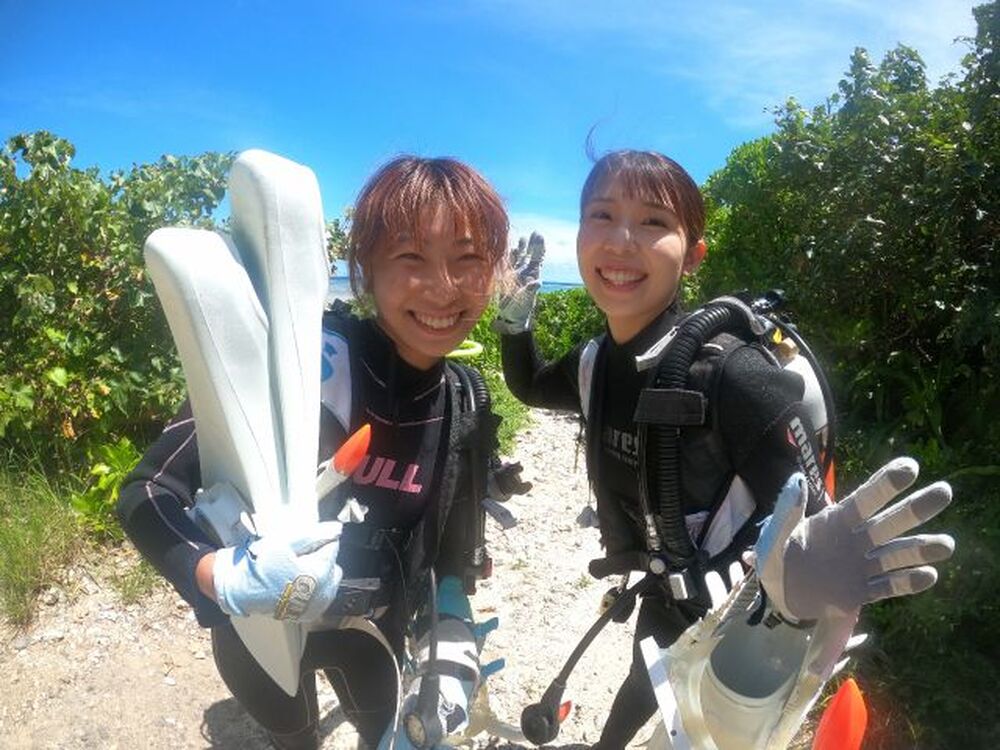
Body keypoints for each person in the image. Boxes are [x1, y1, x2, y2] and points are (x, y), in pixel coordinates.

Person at [495, 149, 953, 748]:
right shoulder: (595, 364)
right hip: (668, 581)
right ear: (578, 235)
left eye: (653, 222)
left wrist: (795, 586)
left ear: (693, 256)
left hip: (744, 614)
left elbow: (810, 516)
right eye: (601, 215)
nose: (621, 240)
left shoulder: (735, 377)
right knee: (646, 671)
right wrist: (514, 315)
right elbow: (530, 385)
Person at [118, 155, 522, 750]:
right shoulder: (304, 369)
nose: (442, 286)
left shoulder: (464, 402)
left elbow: (452, 549)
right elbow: (146, 492)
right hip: (261, 632)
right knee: (296, 738)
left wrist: (453, 630)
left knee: (385, 733)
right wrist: (220, 578)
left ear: (494, 272)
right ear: (365, 270)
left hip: (374, 632)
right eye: (411, 257)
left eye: (468, 259)